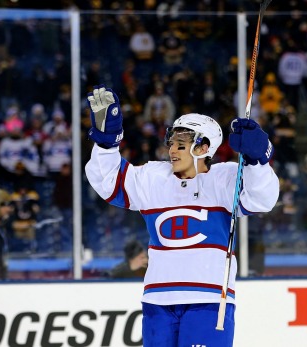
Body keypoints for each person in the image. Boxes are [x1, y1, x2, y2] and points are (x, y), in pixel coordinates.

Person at [85, 85, 279, 346]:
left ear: (203, 148)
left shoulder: (224, 178)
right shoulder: (154, 177)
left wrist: (258, 159)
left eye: (181, 144)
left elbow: (261, 199)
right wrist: (106, 143)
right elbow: (109, 183)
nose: (171, 150)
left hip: (208, 301)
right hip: (158, 301)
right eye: (171, 143)